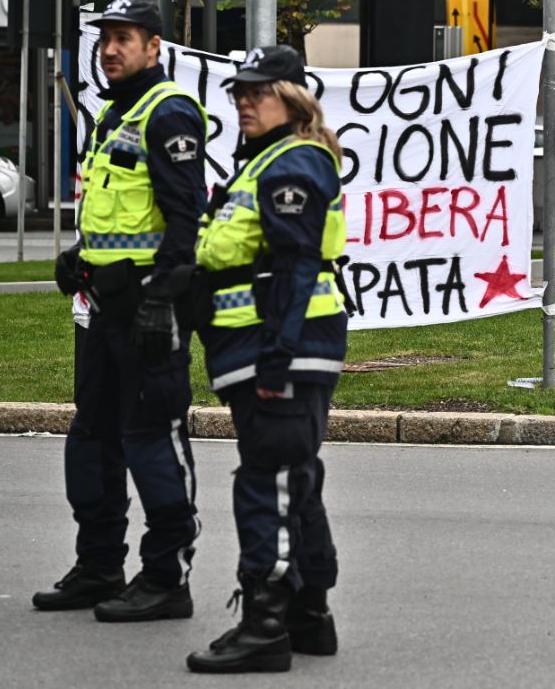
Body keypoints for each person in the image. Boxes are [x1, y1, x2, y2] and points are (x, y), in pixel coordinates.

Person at [36, 0, 208, 621]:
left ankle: (167, 578)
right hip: (102, 305)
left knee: (151, 438)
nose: (110, 49)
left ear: (154, 47)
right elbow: (118, 212)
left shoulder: (168, 114)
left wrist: (163, 301)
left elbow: (187, 221)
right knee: (92, 435)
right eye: (105, 38)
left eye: (125, 38)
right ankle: (100, 565)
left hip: (148, 308)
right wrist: (79, 256)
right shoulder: (112, 114)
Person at [186, 45, 349, 674]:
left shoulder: (290, 163)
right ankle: (310, 617)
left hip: (281, 349)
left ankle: (264, 625)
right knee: (294, 478)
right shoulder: (265, 162)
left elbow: (297, 264)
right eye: (238, 92)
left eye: (258, 91)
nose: (244, 101)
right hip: (272, 347)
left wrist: (278, 359)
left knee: (268, 482)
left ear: (295, 97)